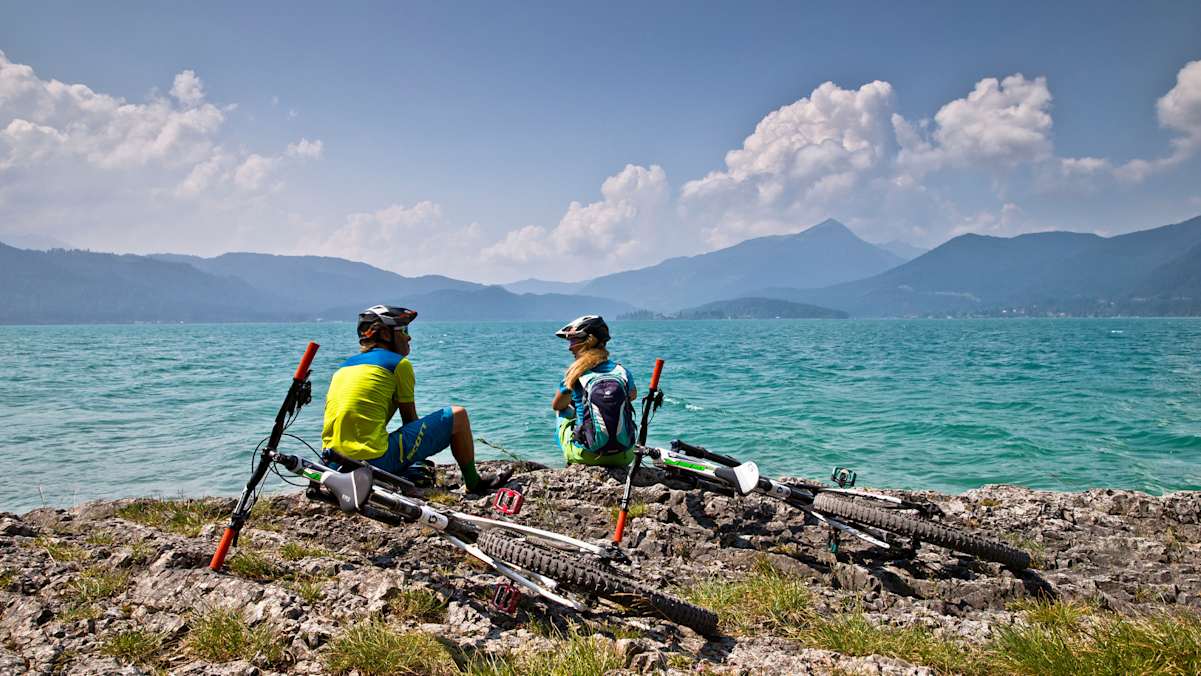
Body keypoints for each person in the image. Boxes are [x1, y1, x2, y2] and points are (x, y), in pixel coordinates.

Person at [322, 305, 509, 492]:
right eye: (404, 330)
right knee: (458, 415)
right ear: (386, 335)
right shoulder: (398, 365)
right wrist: (418, 465)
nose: (409, 337)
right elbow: (410, 420)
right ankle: (474, 483)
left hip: (333, 464)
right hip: (372, 462)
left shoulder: (343, 368)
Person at [551, 315, 638, 467]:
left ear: (588, 341)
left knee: (563, 411)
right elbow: (632, 396)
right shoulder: (622, 371)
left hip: (587, 457)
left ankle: (573, 461)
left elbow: (557, 405)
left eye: (573, 340)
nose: (570, 347)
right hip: (625, 456)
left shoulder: (575, 373)